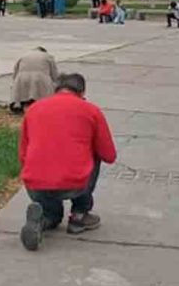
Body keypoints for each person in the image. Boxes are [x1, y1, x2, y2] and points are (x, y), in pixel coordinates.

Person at [18, 73, 117, 251]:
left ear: (55, 90)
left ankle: (44, 219)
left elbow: (23, 153)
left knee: (51, 214)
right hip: (74, 183)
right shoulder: (91, 110)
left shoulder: (33, 109)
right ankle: (79, 215)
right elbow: (109, 155)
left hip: (35, 184)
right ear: (82, 91)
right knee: (95, 152)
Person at [10, 47, 59, 114]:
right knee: (41, 95)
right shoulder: (48, 56)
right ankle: (40, 109)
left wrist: (15, 81)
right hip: (41, 78)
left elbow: (15, 71)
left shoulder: (23, 55)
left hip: (22, 77)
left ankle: (21, 107)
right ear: (44, 52)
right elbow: (54, 74)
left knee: (24, 95)